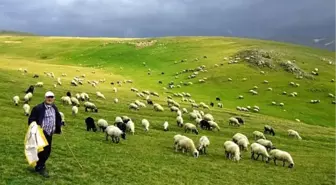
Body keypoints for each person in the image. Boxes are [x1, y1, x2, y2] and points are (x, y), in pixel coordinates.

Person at [28, 91, 63, 178]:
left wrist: (59, 126)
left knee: (47, 150)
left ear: (54, 99)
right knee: (43, 151)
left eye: (51, 97)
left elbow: (57, 117)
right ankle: (40, 167)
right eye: (48, 97)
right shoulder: (38, 108)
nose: (50, 99)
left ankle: (39, 165)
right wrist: (35, 128)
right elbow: (31, 119)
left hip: (50, 132)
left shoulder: (54, 107)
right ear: (45, 98)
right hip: (41, 133)